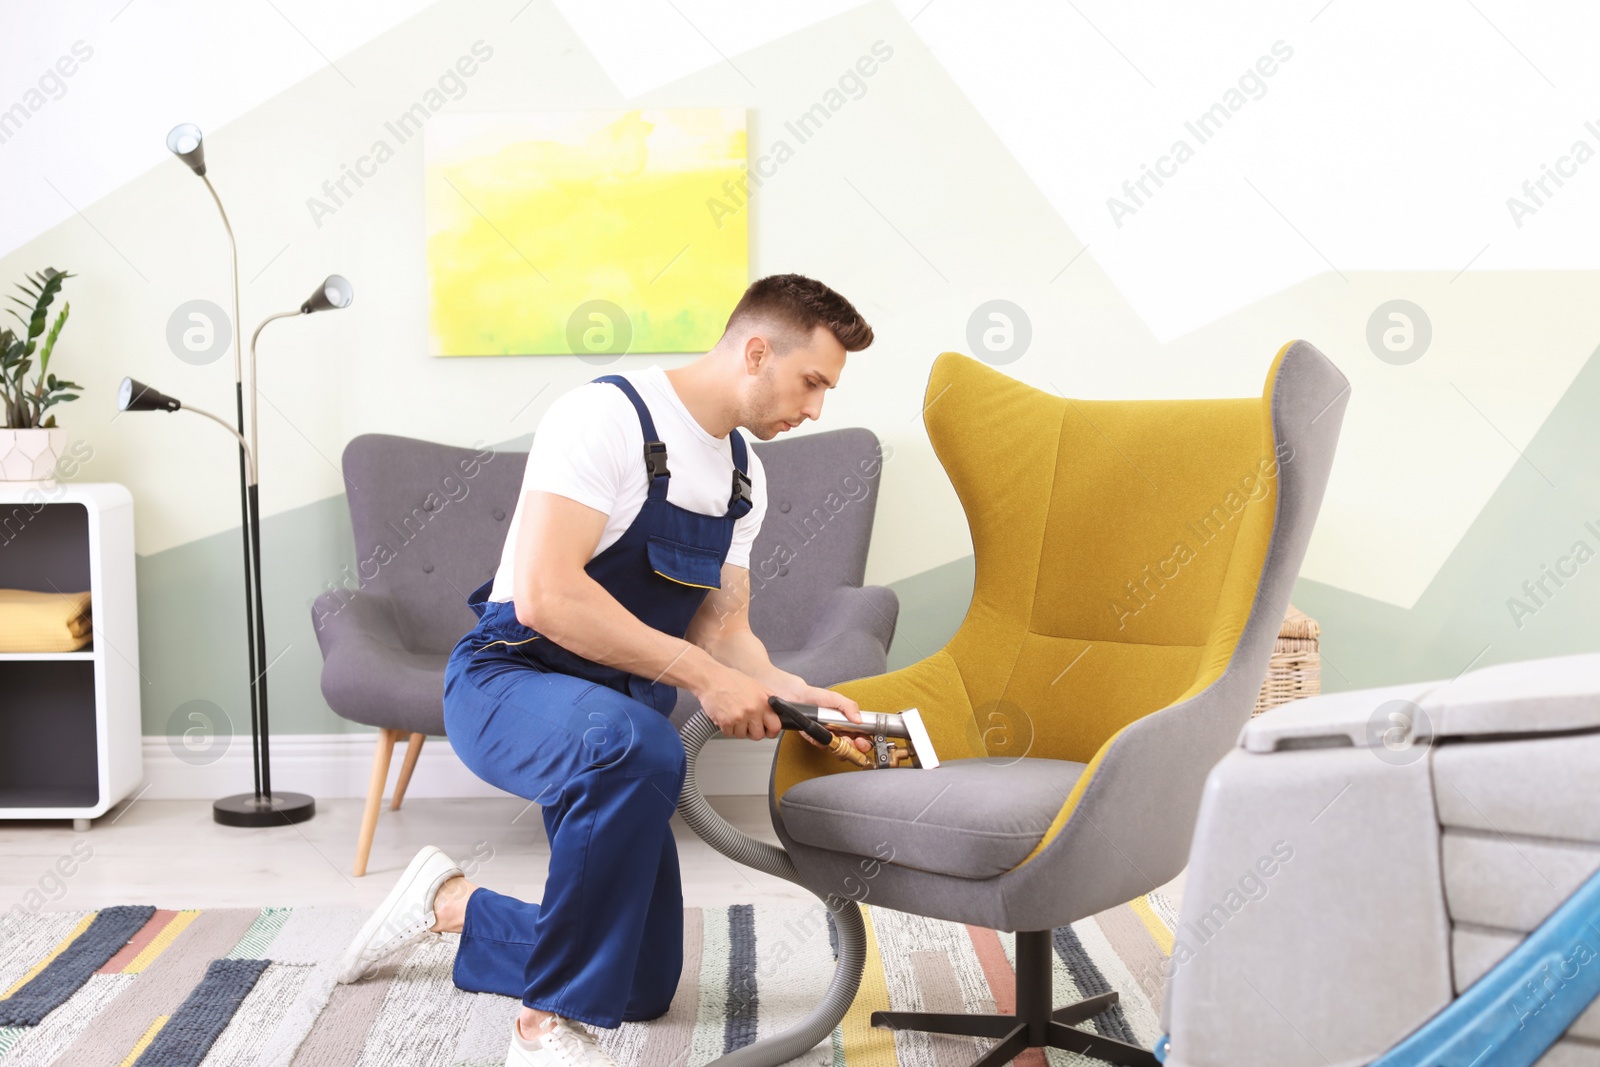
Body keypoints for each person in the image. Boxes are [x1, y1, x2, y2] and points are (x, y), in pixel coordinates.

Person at [336, 274, 878, 1067]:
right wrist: (702, 677)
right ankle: (545, 1024)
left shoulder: (742, 478)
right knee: (639, 744)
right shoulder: (605, 418)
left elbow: (725, 630)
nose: (816, 408)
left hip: (615, 721)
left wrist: (791, 692)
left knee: (642, 982)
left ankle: (450, 904)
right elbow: (551, 594)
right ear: (757, 351)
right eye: (812, 382)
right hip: (508, 680)